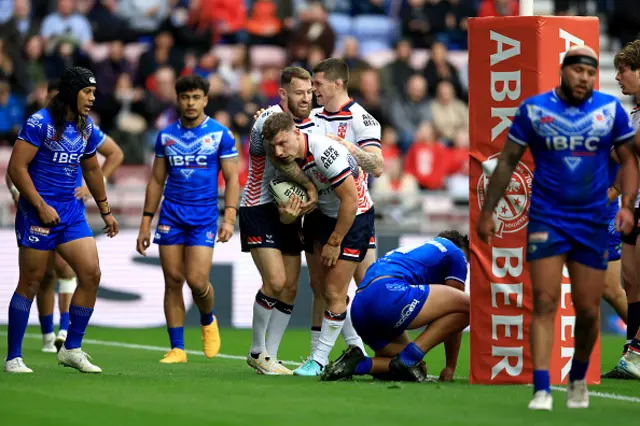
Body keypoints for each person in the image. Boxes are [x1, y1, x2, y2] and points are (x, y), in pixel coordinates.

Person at [476, 46, 639, 410]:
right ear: (563, 71)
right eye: (578, 70)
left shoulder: (609, 111)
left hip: (593, 220)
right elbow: (507, 163)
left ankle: (578, 376)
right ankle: (542, 388)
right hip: (547, 218)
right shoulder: (534, 110)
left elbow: (629, 160)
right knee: (545, 301)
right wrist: (488, 211)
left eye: (590, 72)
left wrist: (626, 205)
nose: (584, 78)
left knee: (588, 310)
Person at [5, 66, 119, 373]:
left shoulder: (85, 126)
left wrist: (106, 211)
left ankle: (72, 348)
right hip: (37, 213)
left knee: (91, 273)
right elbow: (15, 169)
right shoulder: (39, 122)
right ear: (71, 92)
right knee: (30, 282)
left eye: (94, 92)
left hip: (70, 214)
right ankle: (13, 357)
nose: (92, 98)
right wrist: (40, 206)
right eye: (88, 92)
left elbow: (93, 170)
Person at [136, 75, 240, 364]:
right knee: (173, 280)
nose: (190, 103)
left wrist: (229, 217)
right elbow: (156, 181)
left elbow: (232, 178)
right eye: (185, 97)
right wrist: (146, 223)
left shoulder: (221, 135)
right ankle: (177, 348)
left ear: (205, 99)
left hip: (204, 216)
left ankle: (207, 319)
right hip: (171, 214)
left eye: (196, 97)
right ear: (177, 99)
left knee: (197, 281)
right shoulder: (166, 136)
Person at [262, 111, 374, 376]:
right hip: (321, 215)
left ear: (296, 133)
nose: (278, 152)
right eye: (273, 146)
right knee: (319, 286)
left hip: (352, 218)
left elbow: (350, 201)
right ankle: (355, 348)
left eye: (282, 143)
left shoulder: (324, 152)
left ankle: (320, 359)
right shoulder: (287, 157)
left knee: (335, 291)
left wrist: (335, 241)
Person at [241, 66, 317, 375]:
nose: (305, 98)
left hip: (289, 209)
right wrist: (311, 188)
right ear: (283, 93)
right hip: (259, 206)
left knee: (290, 289)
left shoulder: (308, 123)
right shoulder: (266, 121)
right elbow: (283, 163)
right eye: (299, 93)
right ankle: (257, 350)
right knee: (275, 281)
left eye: (309, 92)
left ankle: (270, 355)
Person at [321, 231, 470, 382]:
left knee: (417, 370)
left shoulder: (418, 251)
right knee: (471, 306)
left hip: (360, 309)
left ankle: (358, 364)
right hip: (388, 296)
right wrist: (450, 366)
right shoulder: (456, 252)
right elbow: (459, 307)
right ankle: (410, 356)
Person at [602, 39, 640, 379]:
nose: (618, 77)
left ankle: (637, 352)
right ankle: (633, 352)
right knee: (631, 282)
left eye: (624, 70)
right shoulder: (634, 113)